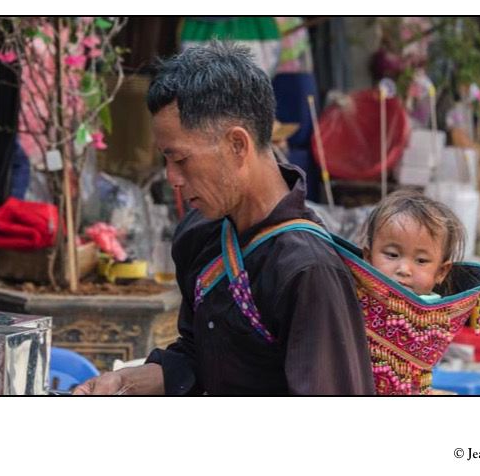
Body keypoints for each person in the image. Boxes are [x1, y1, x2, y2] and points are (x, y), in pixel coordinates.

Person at [74, 41, 374, 395]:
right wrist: (125, 381)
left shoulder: (308, 271)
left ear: (237, 145)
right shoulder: (199, 234)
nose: (172, 178)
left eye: (181, 159)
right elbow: (199, 357)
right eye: (166, 161)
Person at [362, 189, 466, 301]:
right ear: (368, 258)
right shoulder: (350, 299)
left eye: (421, 261)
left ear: (441, 272)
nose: (404, 270)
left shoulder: (445, 315)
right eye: (392, 255)